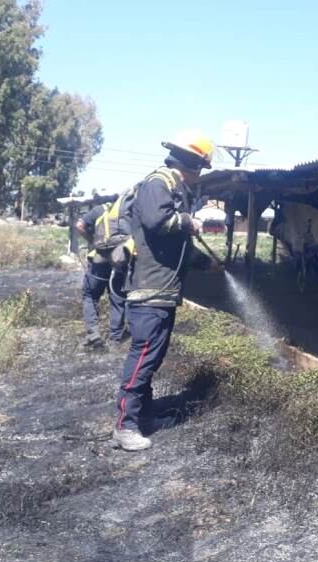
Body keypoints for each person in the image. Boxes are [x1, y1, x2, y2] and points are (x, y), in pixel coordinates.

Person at [111, 130, 215, 451]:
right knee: (142, 359)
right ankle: (125, 426)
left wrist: (204, 263)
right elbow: (159, 223)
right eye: (200, 169)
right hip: (150, 292)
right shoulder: (158, 184)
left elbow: (171, 245)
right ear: (194, 164)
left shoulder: (170, 187)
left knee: (151, 360)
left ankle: (143, 419)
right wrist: (190, 221)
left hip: (162, 291)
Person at [75, 195, 129, 350]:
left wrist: (92, 240)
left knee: (90, 295)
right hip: (120, 259)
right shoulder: (127, 213)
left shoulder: (99, 209)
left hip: (99, 259)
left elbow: (80, 225)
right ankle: (115, 339)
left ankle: (94, 334)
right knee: (117, 297)